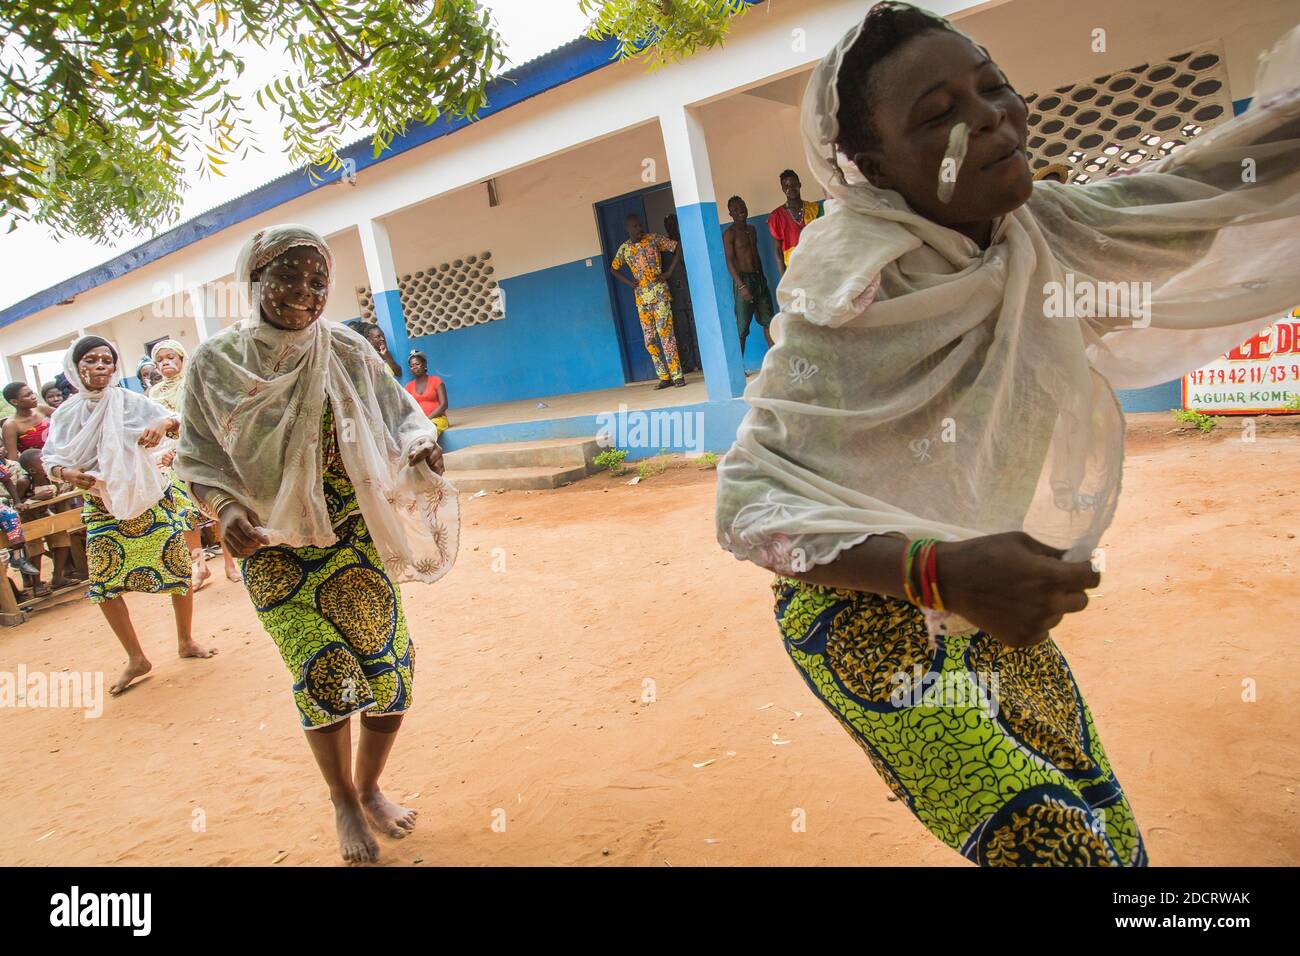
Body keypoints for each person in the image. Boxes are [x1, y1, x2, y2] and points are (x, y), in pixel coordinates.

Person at [716, 1, 1300, 867]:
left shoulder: (1041, 232)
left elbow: (1194, 196)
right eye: (937, 111)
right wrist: (935, 570)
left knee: (1114, 837)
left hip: (978, 590)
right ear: (871, 164)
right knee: (1064, 852)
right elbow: (747, 504)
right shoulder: (851, 290)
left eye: (991, 88)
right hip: (865, 611)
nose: (989, 116)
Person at [177, 225, 460, 865]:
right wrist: (222, 512)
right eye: (291, 277)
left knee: (389, 673)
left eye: (319, 279)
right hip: (271, 546)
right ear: (255, 280)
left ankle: (370, 786)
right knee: (323, 670)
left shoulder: (346, 347)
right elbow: (196, 455)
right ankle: (342, 800)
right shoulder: (215, 363)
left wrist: (420, 444)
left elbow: (398, 412)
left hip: (353, 532)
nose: (307, 292)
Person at [43, 335, 217, 696]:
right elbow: (52, 460)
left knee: (178, 569)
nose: (101, 367)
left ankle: (185, 641)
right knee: (104, 586)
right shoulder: (67, 415)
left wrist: (163, 425)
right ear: (76, 369)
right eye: (91, 360)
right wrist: (68, 475)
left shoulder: (130, 401)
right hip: (102, 502)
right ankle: (136, 657)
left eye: (107, 360)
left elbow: (180, 421)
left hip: (149, 494)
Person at [147, 339, 240, 586]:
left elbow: (201, 419)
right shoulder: (153, 394)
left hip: (201, 453)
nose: (166, 362)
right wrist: (164, 455)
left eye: (171, 357)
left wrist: (180, 447)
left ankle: (231, 562)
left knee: (218, 506)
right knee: (186, 514)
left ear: (181, 359)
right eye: (160, 359)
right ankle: (199, 566)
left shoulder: (193, 383)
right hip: (172, 461)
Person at [610, 213, 686, 388]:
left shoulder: (653, 239)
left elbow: (677, 247)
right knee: (650, 340)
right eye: (635, 226)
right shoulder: (625, 249)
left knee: (666, 336)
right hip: (641, 301)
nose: (639, 229)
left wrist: (669, 272)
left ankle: (677, 376)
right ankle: (664, 377)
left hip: (660, 296)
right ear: (627, 229)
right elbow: (613, 269)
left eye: (640, 225)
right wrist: (630, 283)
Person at [16, 447, 81, 591]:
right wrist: (35, 498)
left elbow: (59, 496)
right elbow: (18, 503)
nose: (46, 462)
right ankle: (37, 584)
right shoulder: (24, 482)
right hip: (28, 520)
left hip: (45, 514)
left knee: (61, 540)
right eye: (42, 461)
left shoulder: (50, 476)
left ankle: (58, 577)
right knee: (35, 550)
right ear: (32, 470)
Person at [722, 196, 775, 353]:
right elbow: (730, 262)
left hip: (759, 279)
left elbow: (755, 255)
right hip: (743, 281)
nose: (741, 211)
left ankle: (776, 360)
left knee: (769, 322)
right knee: (742, 328)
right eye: (736, 210)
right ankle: (739, 369)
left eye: (742, 206)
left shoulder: (752, 230)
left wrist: (762, 278)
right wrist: (741, 286)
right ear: (730, 214)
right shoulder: (729, 234)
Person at [769, 168, 822, 276]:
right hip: (794, 272)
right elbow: (778, 251)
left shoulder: (815, 209)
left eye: (793, 184)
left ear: (800, 184)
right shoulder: (776, 216)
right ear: (783, 189)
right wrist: (784, 279)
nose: (791, 188)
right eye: (787, 186)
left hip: (817, 266)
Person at [2, 382, 53, 462]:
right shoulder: (11, 425)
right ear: (14, 402)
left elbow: (66, 417)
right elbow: (13, 457)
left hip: (61, 455)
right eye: (27, 395)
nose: (33, 397)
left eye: (31, 393)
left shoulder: (41, 408)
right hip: (40, 466)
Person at [404, 350, 449, 434]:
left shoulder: (436, 381)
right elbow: (407, 409)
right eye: (411, 366)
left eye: (417, 364)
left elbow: (444, 405)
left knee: (428, 432)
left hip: (438, 419)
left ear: (424, 364)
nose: (414, 367)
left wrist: (427, 419)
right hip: (419, 423)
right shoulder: (408, 387)